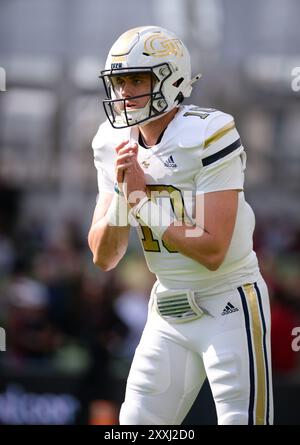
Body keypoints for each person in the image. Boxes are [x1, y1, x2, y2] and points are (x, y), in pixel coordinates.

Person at [88, 25, 273, 425]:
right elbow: (104, 256)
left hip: (228, 301)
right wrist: (123, 196)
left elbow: (212, 250)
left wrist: (142, 201)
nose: (124, 92)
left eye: (137, 79)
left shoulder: (209, 131)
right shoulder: (110, 141)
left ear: (171, 78)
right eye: (119, 80)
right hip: (168, 307)